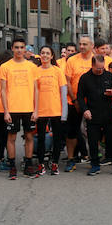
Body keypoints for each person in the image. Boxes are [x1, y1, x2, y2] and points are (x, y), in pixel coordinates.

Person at [0, 38, 39, 180]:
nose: (19, 50)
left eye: (22, 47)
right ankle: (12, 166)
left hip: (28, 108)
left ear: (25, 49)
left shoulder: (32, 67)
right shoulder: (5, 67)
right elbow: (3, 90)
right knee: (12, 138)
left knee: (29, 136)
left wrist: (36, 110)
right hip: (13, 108)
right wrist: (6, 111)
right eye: (17, 47)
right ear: (12, 49)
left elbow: (36, 89)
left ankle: (28, 165)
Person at [77, 54, 112, 176]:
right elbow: (80, 97)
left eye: (102, 68)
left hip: (109, 114)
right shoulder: (85, 78)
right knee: (93, 141)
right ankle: (95, 165)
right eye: (98, 68)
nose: (100, 71)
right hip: (93, 114)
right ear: (92, 65)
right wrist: (85, 110)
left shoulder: (109, 76)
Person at [34, 45, 67, 174]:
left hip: (56, 110)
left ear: (52, 56)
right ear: (40, 55)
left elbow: (63, 93)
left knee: (57, 139)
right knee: (41, 138)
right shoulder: (35, 71)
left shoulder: (57, 71)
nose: (45, 56)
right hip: (41, 110)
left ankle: (55, 163)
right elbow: (33, 92)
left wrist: (64, 114)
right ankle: (41, 164)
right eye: (43, 53)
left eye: (48, 53)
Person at [63, 36, 95, 171]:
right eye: (80, 44)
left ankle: (94, 159)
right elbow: (68, 82)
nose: (82, 46)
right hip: (73, 101)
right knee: (72, 132)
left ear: (92, 45)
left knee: (94, 133)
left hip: (92, 103)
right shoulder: (72, 60)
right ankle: (71, 159)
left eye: (85, 44)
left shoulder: (97, 60)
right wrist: (75, 100)